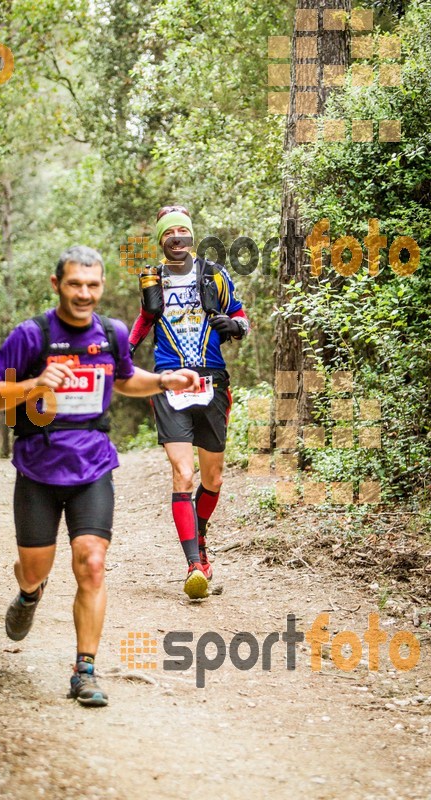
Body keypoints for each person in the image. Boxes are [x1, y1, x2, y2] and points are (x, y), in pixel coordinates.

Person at [0, 245, 199, 707]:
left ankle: (85, 670)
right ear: (57, 284)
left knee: (92, 563)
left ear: (102, 286)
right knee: (34, 569)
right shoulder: (31, 336)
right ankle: (28, 594)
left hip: (93, 466)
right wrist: (34, 385)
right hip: (38, 468)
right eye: (75, 284)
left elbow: (123, 379)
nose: (84, 293)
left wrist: (164, 380)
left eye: (93, 284)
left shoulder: (112, 333)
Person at [129, 205, 249, 600]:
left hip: (212, 382)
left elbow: (241, 316)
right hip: (169, 384)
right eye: (169, 233)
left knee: (212, 479)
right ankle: (194, 563)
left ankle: (201, 534)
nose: (177, 238)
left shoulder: (214, 274)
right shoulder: (152, 277)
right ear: (161, 240)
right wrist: (123, 352)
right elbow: (146, 320)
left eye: (183, 231)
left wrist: (234, 327)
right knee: (183, 474)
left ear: (191, 237)